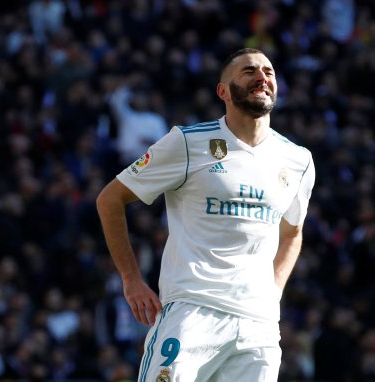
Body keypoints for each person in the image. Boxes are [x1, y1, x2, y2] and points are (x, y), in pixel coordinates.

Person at [96, 48, 315, 381]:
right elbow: (110, 198)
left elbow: (292, 232)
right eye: (249, 71)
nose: (262, 77)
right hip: (192, 311)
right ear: (223, 91)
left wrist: (274, 290)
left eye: (268, 72)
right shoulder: (186, 142)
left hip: (259, 327)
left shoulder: (297, 160)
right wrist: (131, 280)